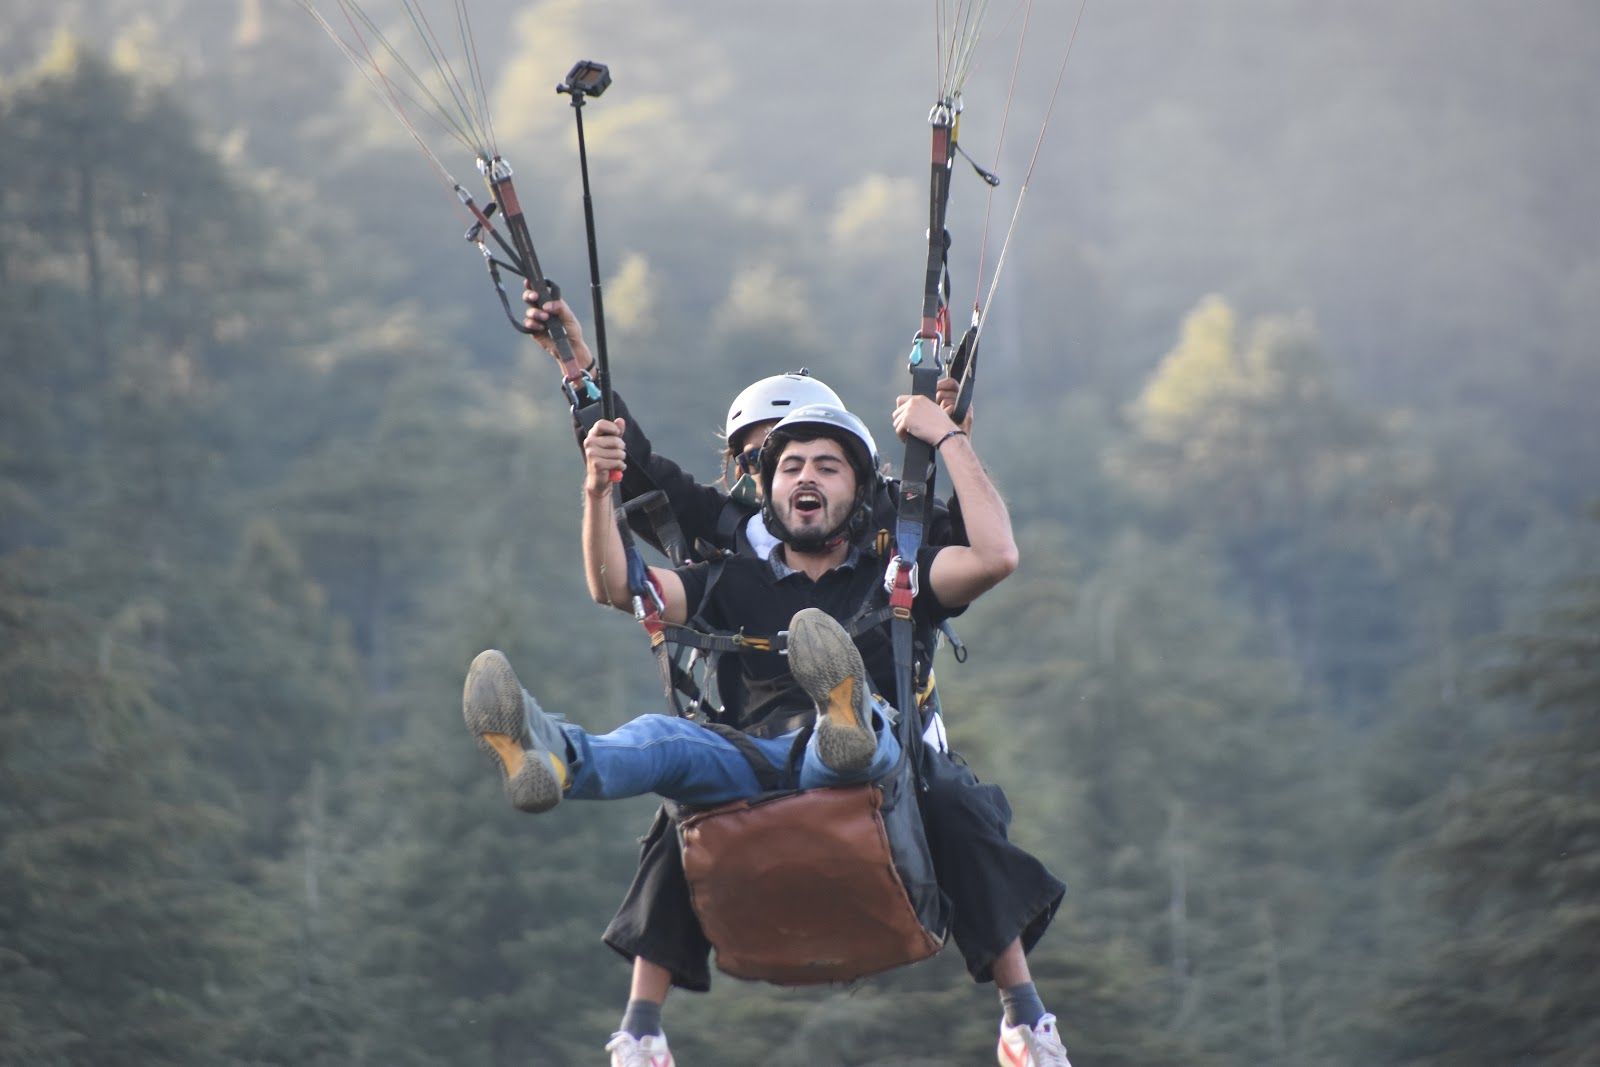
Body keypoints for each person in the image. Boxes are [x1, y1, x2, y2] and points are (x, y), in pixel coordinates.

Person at [523, 294, 1071, 1067]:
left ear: (856, 479)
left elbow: (993, 552)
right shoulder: (728, 566)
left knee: (894, 766)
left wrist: (944, 435)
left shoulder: (896, 559)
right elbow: (625, 568)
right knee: (667, 753)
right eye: (780, 461)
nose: (797, 476)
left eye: (824, 462)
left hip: (870, 755)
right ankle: (555, 759)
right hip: (752, 755)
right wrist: (591, 465)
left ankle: (844, 713)